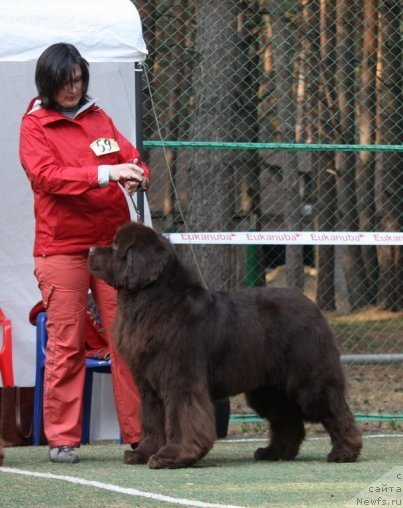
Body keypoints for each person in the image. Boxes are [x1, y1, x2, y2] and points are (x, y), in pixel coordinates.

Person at [19, 42, 151, 463]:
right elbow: (47, 178)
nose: (73, 89)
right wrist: (105, 173)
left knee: (126, 340)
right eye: (65, 82)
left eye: (78, 80)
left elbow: (129, 156)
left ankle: (141, 434)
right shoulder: (35, 124)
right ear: (48, 84)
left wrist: (136, 175)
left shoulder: (99, 117)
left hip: (111, 246)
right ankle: (62, 437)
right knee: (67, 341)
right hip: (62, 247)